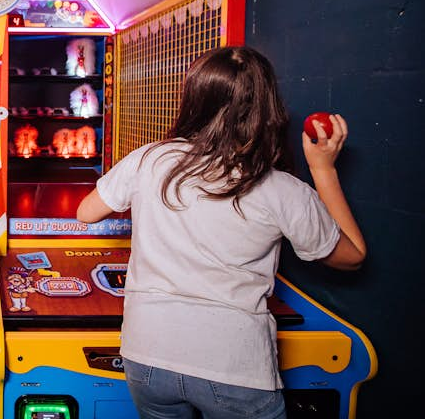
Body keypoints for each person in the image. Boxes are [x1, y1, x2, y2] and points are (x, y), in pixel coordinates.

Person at [76, 46, 366, 419]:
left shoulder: (150, 159)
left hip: (146, 355)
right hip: (233, 365)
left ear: (193, 99)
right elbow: (352, 257)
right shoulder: (282, 189)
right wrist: (323, 169)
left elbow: (87, 212)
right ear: (267, 110)